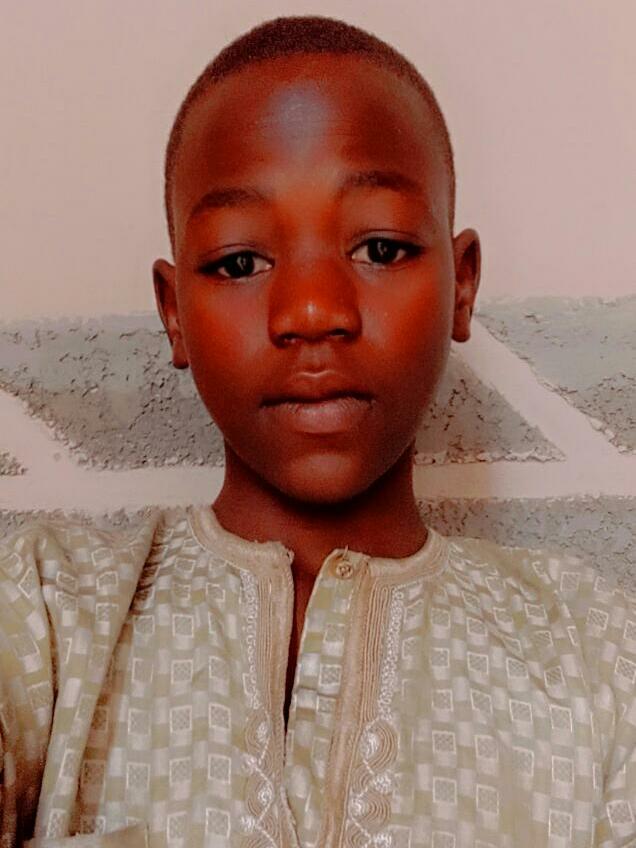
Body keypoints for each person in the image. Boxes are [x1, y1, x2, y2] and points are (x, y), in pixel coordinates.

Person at [1, 15, 634, 848]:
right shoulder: (48, 613)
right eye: (239, 263)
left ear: (461, 285)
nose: (312, 311)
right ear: (173, 312)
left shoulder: (596, 654)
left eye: (381, 249)